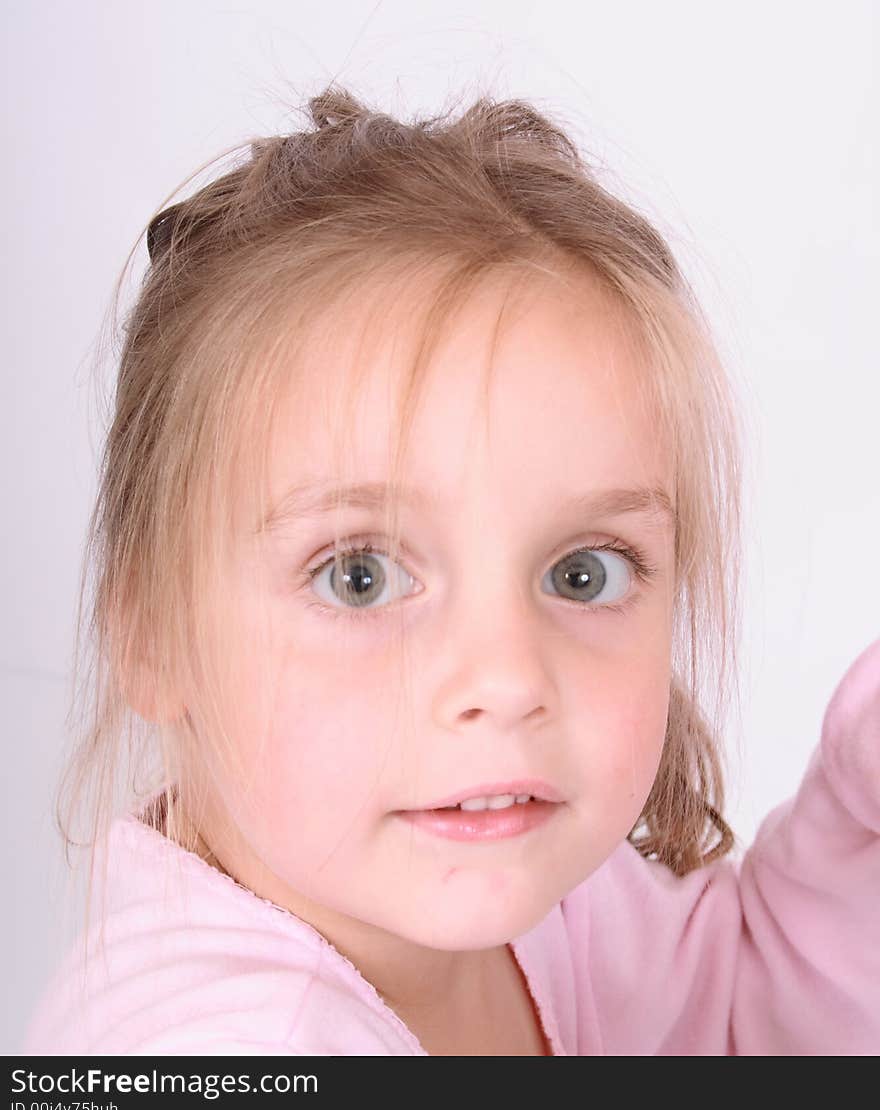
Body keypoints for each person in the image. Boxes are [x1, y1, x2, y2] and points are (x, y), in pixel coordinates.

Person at [22, 84, 879, 1056]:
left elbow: (734, 1025)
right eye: (360, 576)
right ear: (150, 628)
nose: (507, 678)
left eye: (582, 573)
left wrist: (856, 824)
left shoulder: (536, 887)